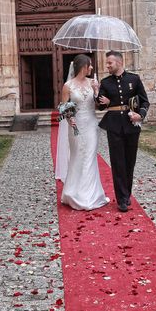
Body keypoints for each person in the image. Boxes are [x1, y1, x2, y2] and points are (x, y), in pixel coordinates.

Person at [55, 54, 110, 211]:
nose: (91, 68)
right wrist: (69, 118)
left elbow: (98, 104)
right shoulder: (68, 86)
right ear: (83, 67)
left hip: (92, 125)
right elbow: (63, 107)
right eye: (90, 65)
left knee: (90, 158)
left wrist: (96, 91)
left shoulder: (93, 83)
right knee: (77, 156)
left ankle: (91, 195)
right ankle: (73, 193)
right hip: (76, 126)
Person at [97, 51, 149, 212]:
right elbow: (100, 105)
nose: (107, 66)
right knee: (117, 162)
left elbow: (145, 101)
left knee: (129, 161)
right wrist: (103, 100)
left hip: (131, 125)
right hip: (114, 125)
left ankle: (127, 193)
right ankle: (122, 199)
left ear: (119, 62)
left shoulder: (134, 79)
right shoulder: (105, 82)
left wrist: (140, 115)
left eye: (109, 63)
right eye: (107, 63)